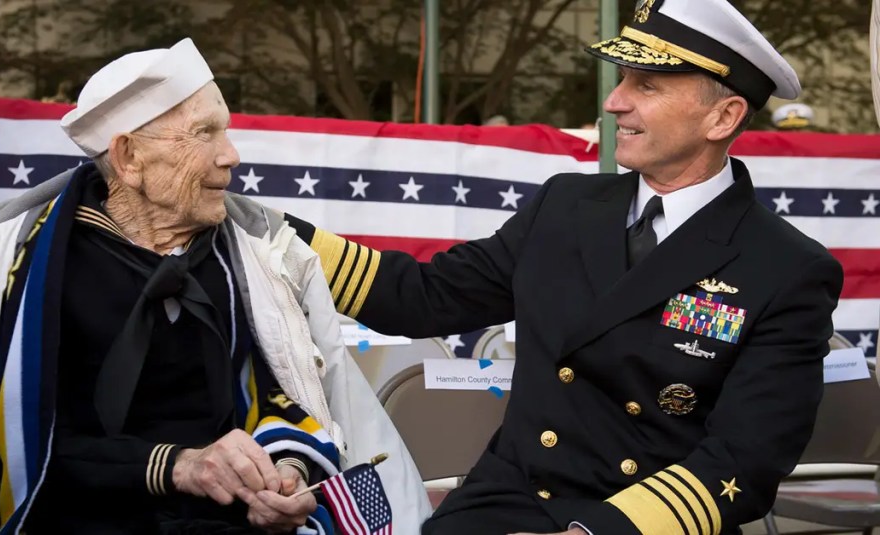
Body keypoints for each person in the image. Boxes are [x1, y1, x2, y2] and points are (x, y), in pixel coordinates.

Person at [281, 0, 844, 533]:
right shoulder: (566, 206)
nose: (614, 102)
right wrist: (270, 233)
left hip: (636, 523)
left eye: (645, 85)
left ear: (723, 116)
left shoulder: (787, 269)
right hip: (504, 503)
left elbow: (745, 457)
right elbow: (425, 296)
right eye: (622, 79)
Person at [0, 38, 430, 534]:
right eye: (204, 133)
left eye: (225, 131)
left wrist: (287, 470)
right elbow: (17, 446)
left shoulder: (257, 258)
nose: (230, 155)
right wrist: (180, 466)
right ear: (128, 159)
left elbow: (284, 392)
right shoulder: (23, 271)